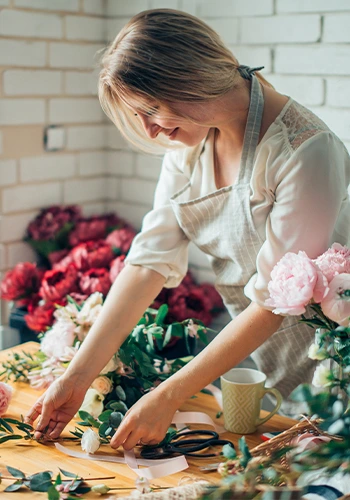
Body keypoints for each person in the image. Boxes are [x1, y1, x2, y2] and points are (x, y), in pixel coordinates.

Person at [26, 9, 350, 450]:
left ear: (190, 77)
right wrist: (76, 377)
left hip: (332, 359)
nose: (150, 129)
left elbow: (274, 304)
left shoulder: (306, 150)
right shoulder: (191, 145)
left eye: (152, 109)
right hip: (266, 359)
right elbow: (147, 264)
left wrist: (168, 395)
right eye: (139, 115)